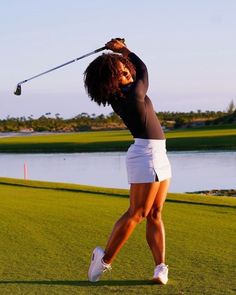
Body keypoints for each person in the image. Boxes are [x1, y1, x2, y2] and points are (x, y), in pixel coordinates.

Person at [84, 38, 172, 285]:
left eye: (125, 70)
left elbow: (136, 71)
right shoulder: (133, 94)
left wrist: (120, 54)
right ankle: (104, 260)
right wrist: (124, 50)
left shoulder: (119, 95)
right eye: (120, 74)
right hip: (147, 154)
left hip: (157, 154)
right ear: (110, 81)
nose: (127, 74)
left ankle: (160, 268)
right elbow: (143, 70)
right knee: (138, 213)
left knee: (155, 212)